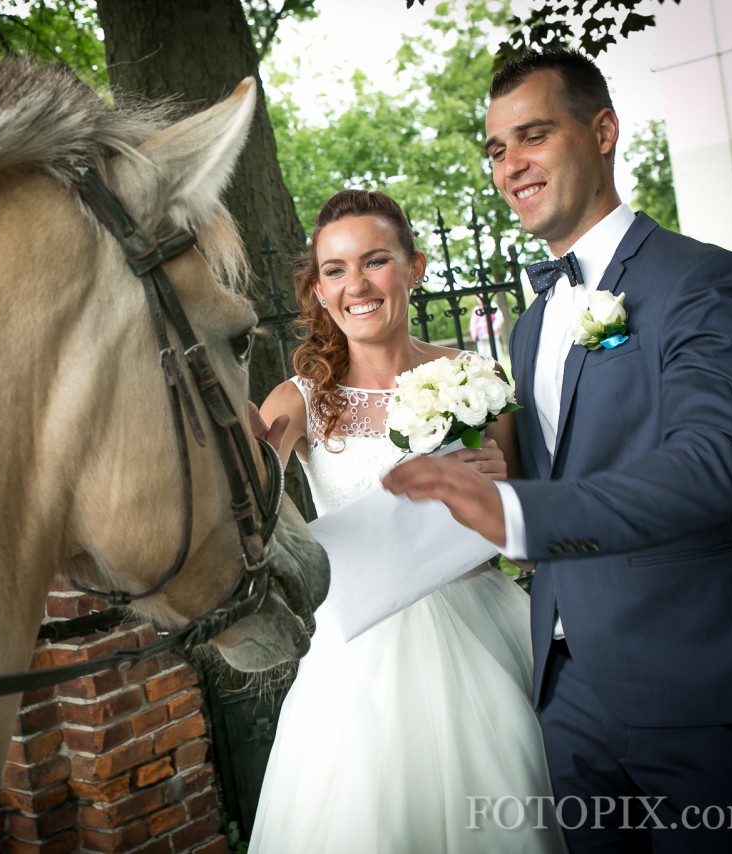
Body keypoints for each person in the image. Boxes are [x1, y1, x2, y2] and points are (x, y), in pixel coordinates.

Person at [382, 50, 732, 852]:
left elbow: (715, 465)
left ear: (603, 131)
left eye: (533, 136)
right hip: (566, 690)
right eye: (498, 149)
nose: (512, 166)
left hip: (694, 677)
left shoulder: (701, 281)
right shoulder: (533, 323)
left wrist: (520, 510)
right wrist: (493, 481)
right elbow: (564, 470)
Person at [248, 188, 564, 853]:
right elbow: (249, 506)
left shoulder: (475, 379)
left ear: (414, 268)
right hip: (357, 660)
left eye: (375, 261)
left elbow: (532, 548)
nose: (354, 285)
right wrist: (241, 455)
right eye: (334, 269)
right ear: (318, 289)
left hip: (483, 631)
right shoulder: (299, 398)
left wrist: (508, 499)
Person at [468, 296, 503, 360]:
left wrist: (492, 329)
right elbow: (473, 323)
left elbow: (499, 319)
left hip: (492, 336)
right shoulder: (476, 309)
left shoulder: (492, 305)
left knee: (495, 354)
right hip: (481, 337)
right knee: (483, 357)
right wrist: (473, 334)